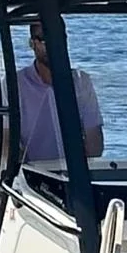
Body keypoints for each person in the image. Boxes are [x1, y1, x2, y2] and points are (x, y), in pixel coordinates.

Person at [17, 20, 104, 162]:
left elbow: (95, 145)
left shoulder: (82, 81)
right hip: (34, 176)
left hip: (77, 176)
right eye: (45, 39)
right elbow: (7, 142)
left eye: (58, 36)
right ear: (32, 44)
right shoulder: (17, 84)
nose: (53, 44)